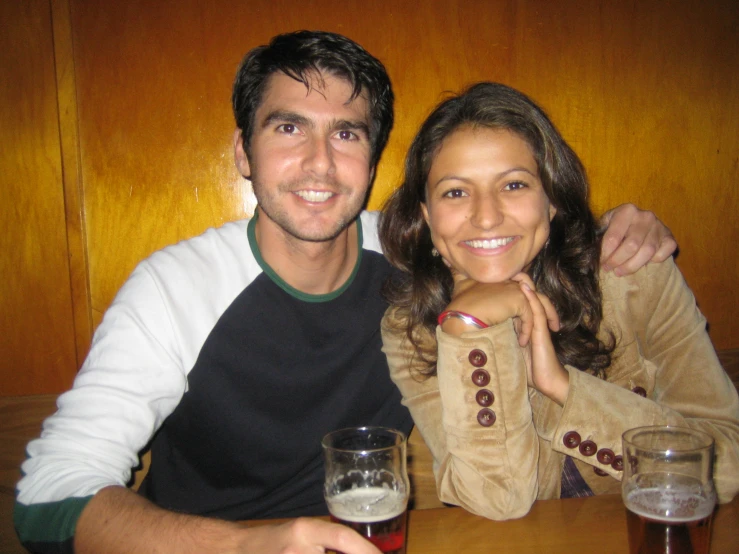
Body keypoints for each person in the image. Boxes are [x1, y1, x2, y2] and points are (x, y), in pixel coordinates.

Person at [15, 32, 675, 554]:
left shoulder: (412, 254)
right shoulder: (176, 288)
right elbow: (50, 496)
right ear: (243, 151)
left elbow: (504, 229)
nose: (319, 162)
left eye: (347, 133)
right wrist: (249, 545)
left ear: (372, 152)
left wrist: (612, 231)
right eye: (287, 128)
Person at [380, 82, 739, 522]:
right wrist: (472, 329)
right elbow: (498, 500)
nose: (487, 215)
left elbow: (725, 466)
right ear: (426, 215)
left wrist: (562, 387)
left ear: (550, 202)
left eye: (513, 185)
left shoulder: (632, 277)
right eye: (456, 192)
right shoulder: (413, 328)